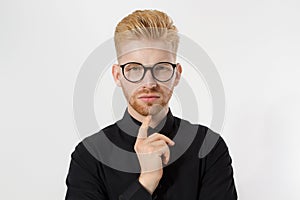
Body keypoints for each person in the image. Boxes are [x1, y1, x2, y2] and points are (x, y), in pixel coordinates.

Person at [65, 9, 238, 200]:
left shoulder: (209, 148)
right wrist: (147, 181)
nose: (149, 83)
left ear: (177, 74)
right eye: (134, 69)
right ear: (117, 75)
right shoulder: (89, 156)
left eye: (162, 68)